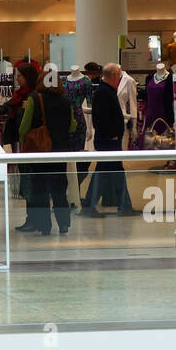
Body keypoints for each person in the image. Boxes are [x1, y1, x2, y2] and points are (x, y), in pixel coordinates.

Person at [16, 71, 75, 236]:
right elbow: (72, 126)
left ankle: (44, 227)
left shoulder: (35, 99)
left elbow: (24, 127)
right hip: (61, 151)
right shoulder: (66, 101)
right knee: (59, 188)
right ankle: (63, 225)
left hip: (40, 152)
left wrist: (24, 141)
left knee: (40, 188)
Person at [81, 63, 138, 217]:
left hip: (110, 140)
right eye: (118, 74)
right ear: (112, 75)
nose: (120, 77)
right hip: (108, 141)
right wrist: (111, 134)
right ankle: (91, 206)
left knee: (112, 172)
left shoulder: (106, 91)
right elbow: (100, 118)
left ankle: (123, 205)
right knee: (105, 173)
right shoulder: (103, 92)